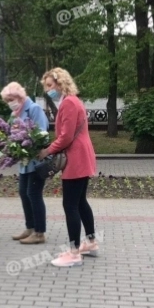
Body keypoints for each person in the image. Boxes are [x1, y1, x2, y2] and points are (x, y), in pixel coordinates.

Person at [37, 68, 98, 267]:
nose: (47, 90)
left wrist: (47, 151)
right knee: (80, 202)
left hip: (76, 159)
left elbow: (66, 137)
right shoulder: (73, 101)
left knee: (70, 205)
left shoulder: (69, 103)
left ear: (60, 83)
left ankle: (73, 254)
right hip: (82, 156)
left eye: (49, 85)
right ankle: (90, 243)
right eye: (45, 87)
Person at [1, 82, 49, 245]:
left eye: (12, 98)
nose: (10, 102)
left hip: (36, 161)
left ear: (20, 96)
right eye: (7, 100)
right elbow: (10, 133)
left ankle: (39, 233)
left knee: (34, 194)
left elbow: (42, 133)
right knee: (24, 192)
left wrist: (27, 142)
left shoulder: (34, 109)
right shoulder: (15, 113)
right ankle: (30, 227)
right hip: (24, 162)